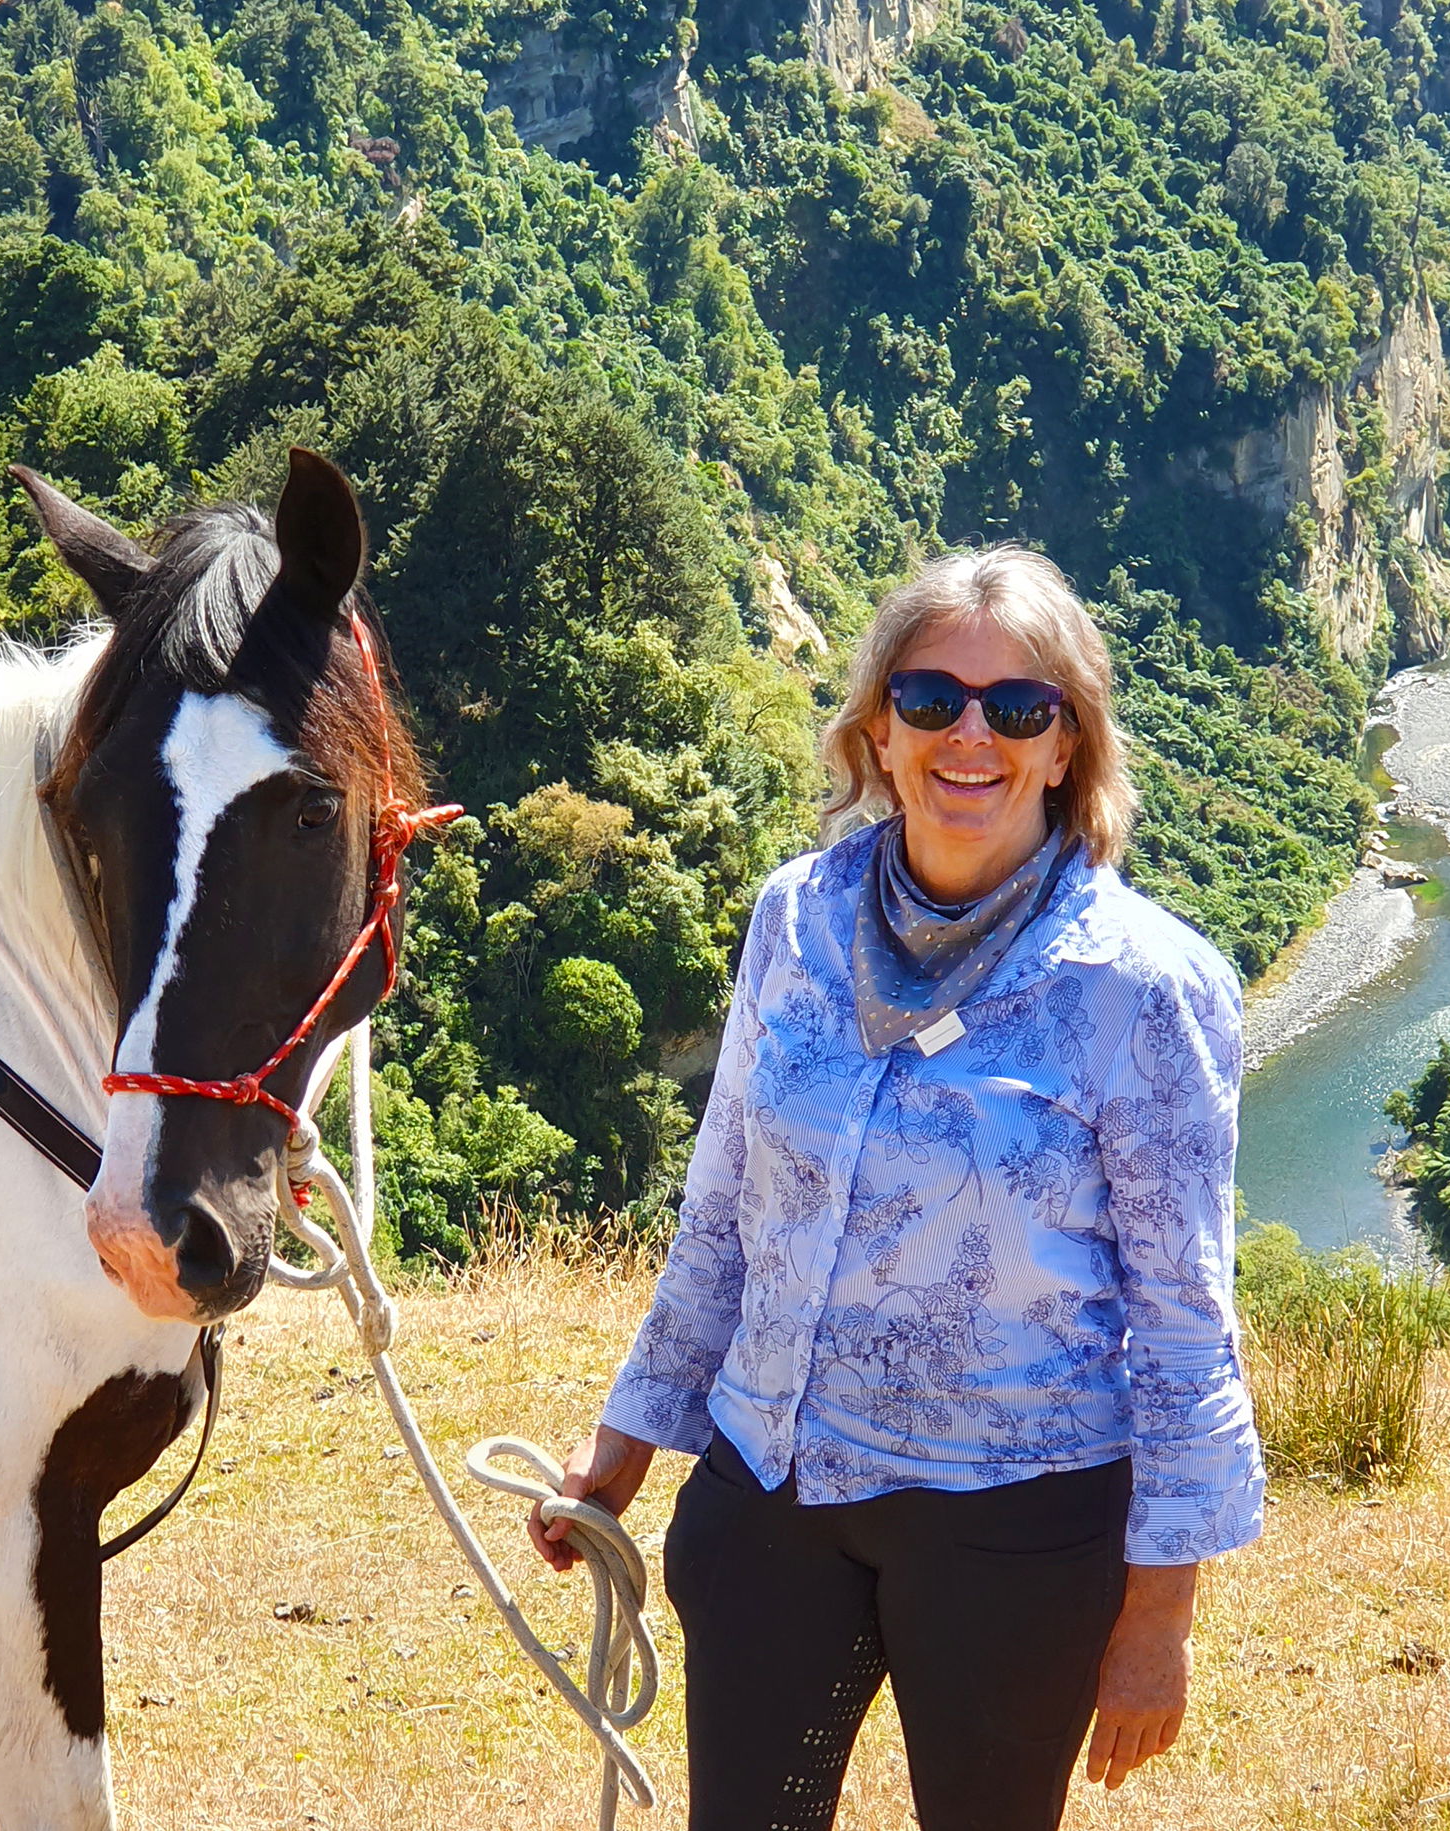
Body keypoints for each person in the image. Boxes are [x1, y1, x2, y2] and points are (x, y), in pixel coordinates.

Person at [531, 545, 1264, 1831]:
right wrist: (622, 1446)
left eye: (1016, 707)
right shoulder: (793, 920)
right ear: (879, 728)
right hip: (771, 1490)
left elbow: (1185, 1323)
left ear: (1065, 745)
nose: (969, 733)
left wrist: (1159, 1619)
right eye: (932, 699)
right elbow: (721, 1215)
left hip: (1013, 1526)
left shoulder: (1145, 988)